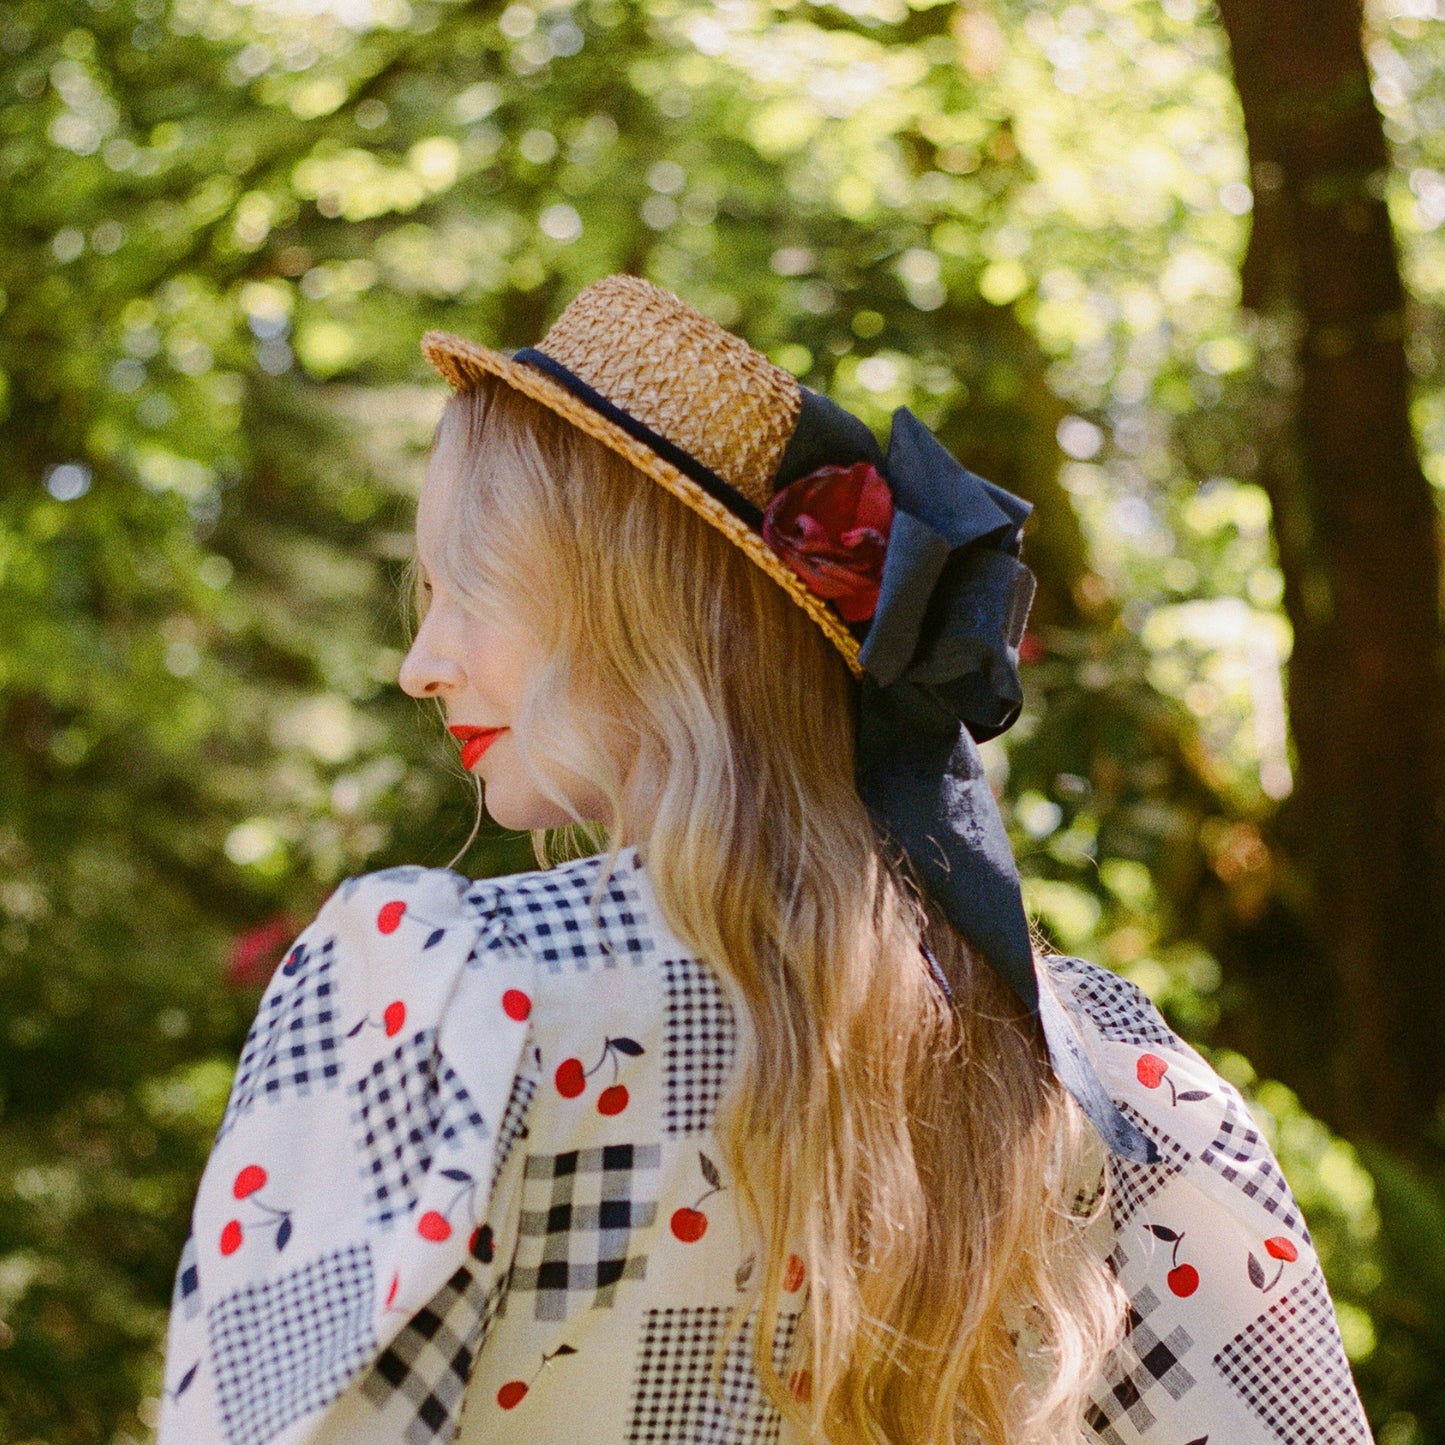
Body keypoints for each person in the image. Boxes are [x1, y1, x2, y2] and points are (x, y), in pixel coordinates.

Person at [157, 274, 1374, 1445]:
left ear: (638, 598)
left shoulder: (440, 993)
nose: (421, 663)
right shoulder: (1107, 1075)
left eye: (466, 586)